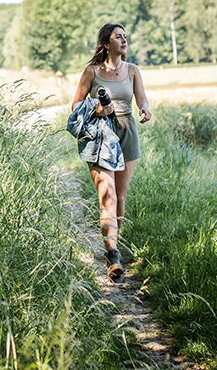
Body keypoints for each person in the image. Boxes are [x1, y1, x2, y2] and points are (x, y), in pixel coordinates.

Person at [70, 23, 152, 281]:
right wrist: (96, 110)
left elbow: (142, 98)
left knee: (121, 197)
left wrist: (145, 109)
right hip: (100, 135)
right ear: (106, 43)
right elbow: (75, 106)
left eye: (125, 36)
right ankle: (112, 255)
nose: (124, 40)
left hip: (128, 133)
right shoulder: (92, 72)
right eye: (118, 37)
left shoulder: (133, 70)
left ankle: (114, 241)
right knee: (108, 197)